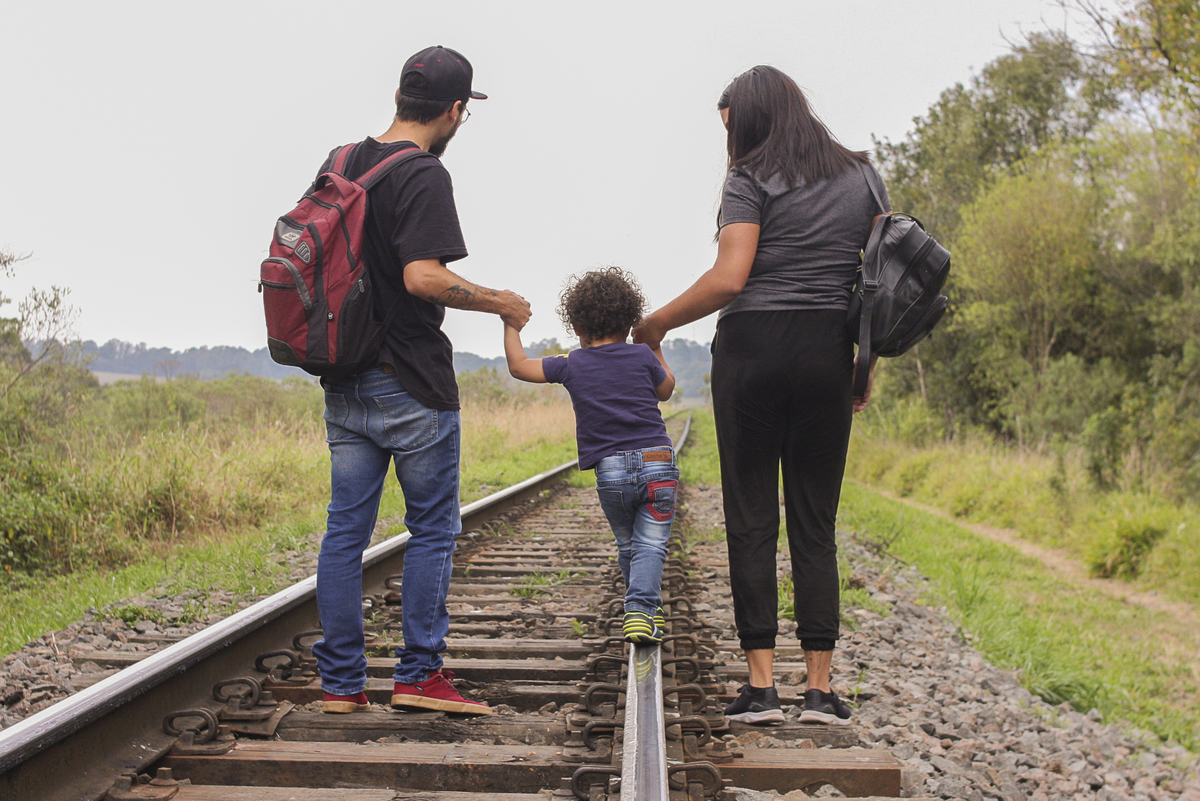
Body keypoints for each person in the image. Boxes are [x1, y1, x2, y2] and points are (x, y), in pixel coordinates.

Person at [633, 66, 888, 725]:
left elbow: (730, 276)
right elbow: (882, 285)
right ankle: (821, 691)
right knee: (815, 520)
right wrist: (862, 369)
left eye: (732, 125)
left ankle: (762, 687)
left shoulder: (748, 176)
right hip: (826, 353)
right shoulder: (863, 175)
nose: (730, 140)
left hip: (752, 350)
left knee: (750, 515)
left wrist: (655, 323)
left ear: (750, 118)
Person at [311, 45, 531, 716]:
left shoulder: (340, 160)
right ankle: (419, 674)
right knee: (433, 528)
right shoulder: (425, 175)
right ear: (456, 109)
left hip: (344, 379)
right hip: (411, 380)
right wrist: (501, 302)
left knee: (345, 531)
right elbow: (422, 276)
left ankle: (342, 686)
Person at [504, 267, 678, 643]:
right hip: (657, 463)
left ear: (578, 326)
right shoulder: (642, 357)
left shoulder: (571, 363)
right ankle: (641, 610)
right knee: (651, 543)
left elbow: (519, 368)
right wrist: (653, 344)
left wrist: (511, 324)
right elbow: (666, 390)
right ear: (629, 320)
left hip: (611, 471)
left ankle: (642, 611)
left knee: (630, 544)